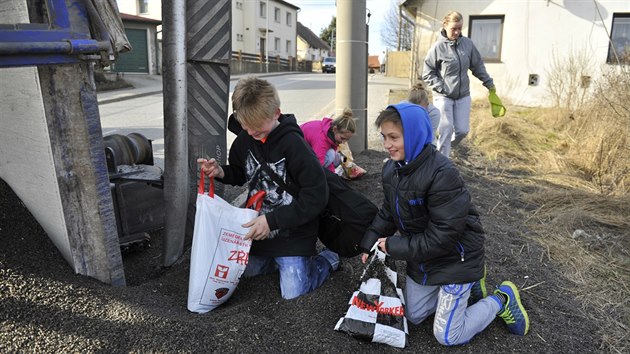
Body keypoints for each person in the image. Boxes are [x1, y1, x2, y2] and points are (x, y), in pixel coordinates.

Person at [360, 102, 529, 346]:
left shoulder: (442, 174)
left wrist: (394, 246)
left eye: (394, 137)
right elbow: (388, 212)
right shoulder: (392, 170)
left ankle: (500, 300)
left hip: (455, 258)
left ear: (415, 134)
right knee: (413, 316)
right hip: (424, 257)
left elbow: (443, 236)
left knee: (448, 335)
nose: (387, 144)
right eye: (384, 137)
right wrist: (369, 242)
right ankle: (467, 291)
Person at [197, 77, 340, 300]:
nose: (253, 133)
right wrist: (220, 172)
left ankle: (326, 260)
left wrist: (271, 221)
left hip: (294, 233)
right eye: (247, 126)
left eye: (258, 127)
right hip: (259, 233)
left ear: (276, 113)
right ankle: (276, 263)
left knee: (293, 292)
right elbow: (240, 171)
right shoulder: (245, 139)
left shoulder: (294, 145)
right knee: (244, 274)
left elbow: (316, 196)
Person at [422, 11, 496, 157]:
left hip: (463, 95)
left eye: (459, 28)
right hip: (443, 96)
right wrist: (442, 87)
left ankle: (445, 147)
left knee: (462, 131)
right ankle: (442, 163)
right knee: (446, 128)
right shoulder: (438, 48)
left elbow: (478, 66)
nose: (456, 32)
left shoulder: (467, 44)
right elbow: (427, 72)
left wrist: (488, 83)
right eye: (453, 28)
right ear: (445, 26)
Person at [300, 108, 356, 172]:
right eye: (342, 138)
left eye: (347, 139)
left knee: (338, 157)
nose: (344, 142)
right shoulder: (321, 139)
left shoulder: (330, 133)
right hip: (298, 157)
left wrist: (332, 173)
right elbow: (318, 163)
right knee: (331, 154)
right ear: (335, 129)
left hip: (307, 153)